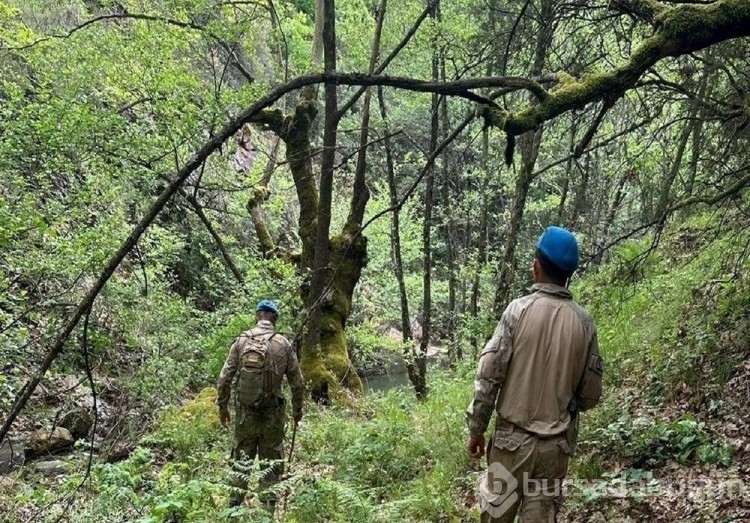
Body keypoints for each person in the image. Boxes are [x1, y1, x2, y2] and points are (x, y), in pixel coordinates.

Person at [466, 226, 603, 522]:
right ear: (568, 275)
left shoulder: (516, 312)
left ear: (536, 267)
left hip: (510, 446)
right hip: (554, 450)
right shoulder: (585, 324)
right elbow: (591, 395)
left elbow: (490, 376)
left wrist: (477, 428)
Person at [216, 299, 305, 510]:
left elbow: (224, 378)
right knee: (271, 465)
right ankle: (267, 511)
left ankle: (233, 509)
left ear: (257, 316)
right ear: (274, 319)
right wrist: (297, 411)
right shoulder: (283, 344)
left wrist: (223, 407)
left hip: (245, 414)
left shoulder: (241, 341)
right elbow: (298, 383)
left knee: (241, 462)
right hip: (272, 416)